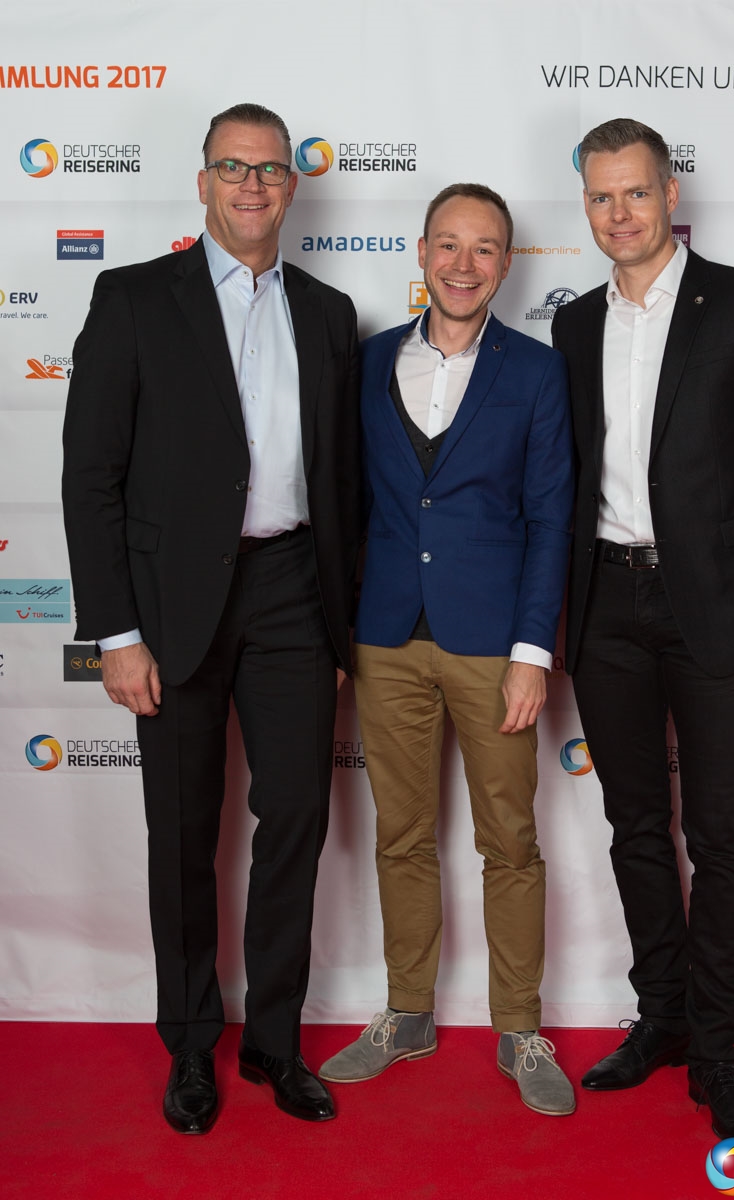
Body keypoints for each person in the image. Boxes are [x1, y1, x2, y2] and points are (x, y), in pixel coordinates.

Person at [61, 102, 360, 1133]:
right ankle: (191, 1044)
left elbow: (343, 482)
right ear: (203, 183)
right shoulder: (134, 298)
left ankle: (274, 1040)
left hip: (293, 594)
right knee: (184, 832)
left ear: (292, 186)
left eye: (268, 169)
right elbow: (91, 478)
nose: (251, 185)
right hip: (170, 605)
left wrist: (338, 626)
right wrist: (116, 633)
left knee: (297, 822)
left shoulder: (328, 313)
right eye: (233, 167)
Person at [552, 118, 734, 1149]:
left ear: (670, 195)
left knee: (719, 838)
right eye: (600, 196)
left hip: (718, 608)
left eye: (635, 192)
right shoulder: (575, 324)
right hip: (607, 607)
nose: (618, 213)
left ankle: (716, 1051)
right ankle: (661, 1016)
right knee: (633, 827)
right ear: (586, 205)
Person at [318, 184, 576, 1116]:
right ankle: (408, 1012)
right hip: (386, 638)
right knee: (400, 835)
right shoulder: (367, 361)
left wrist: (532, 650)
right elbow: (342, 502)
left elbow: (551, 519)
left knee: (510, 841)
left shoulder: (538, 372)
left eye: (485, 249)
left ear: (506, 264)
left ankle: (520, 1025)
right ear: (422, 251)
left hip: (493, 645)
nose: (464, 266)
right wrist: (336, 632)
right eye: (449, 245)